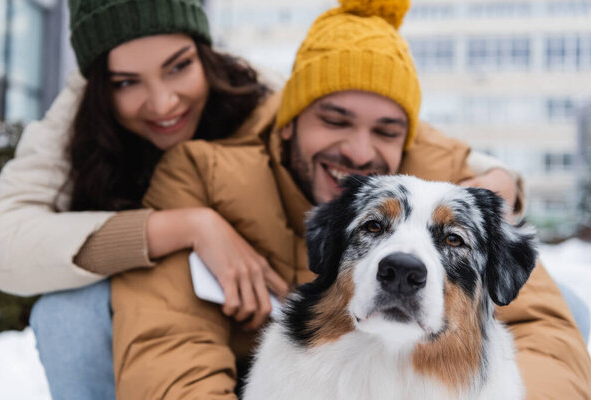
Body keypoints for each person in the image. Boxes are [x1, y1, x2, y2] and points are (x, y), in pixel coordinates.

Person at [110, 0, 591, 399]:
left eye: (386, 129)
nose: (360, 152)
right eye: (335, 120)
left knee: (569, 304)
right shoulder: (203, 172)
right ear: (289, 120)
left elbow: (543, 328)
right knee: (79, 313)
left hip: (419, 370)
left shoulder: (448, 178)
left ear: (408, 137)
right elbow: (168, 340)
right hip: (262, 366)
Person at [0, 0, 286, 398]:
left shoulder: (265, 101)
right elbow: (4, 242)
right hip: (148, 336)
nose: (163, 103)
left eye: (179, 66)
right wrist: (190, 227)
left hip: (265, 337)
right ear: (99, 83)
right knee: (67, 313)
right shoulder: (75, 122)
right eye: (127, 82)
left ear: (204, 53)